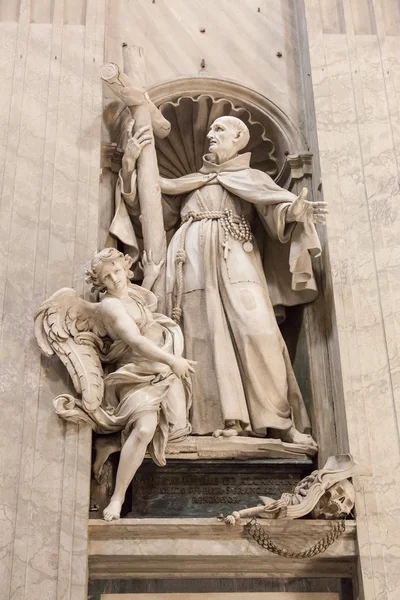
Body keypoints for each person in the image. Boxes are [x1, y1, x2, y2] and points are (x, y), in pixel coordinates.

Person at [110, 116, 327, 444]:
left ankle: (279, 421)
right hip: (188, 262)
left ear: (239, 137)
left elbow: (275, 208)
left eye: (219, 130)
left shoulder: (251, 178)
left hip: (235, 256)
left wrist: (293, 212)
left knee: (259, 332)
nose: (209, 134)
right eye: (210, 129)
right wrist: (128, 166)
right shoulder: (191, 181)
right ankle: (219, 420)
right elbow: (150, 211)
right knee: (200, 336)